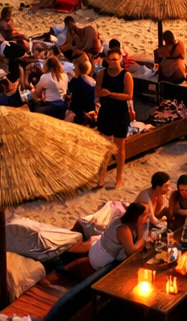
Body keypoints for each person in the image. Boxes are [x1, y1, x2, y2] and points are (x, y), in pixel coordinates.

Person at [95, 48, 133, 189]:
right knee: (105, 147)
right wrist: (102, 93)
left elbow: (128, 95)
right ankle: (101, 178)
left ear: (121, 59)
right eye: (110, 59)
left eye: (115, 59)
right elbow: (97, 91)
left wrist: (111, 94)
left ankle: (119, 177)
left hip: (120, 112)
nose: (112, 62)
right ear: (106, 60)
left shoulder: (126, 75)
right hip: (106, 111)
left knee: (120, 148)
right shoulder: (101, 74)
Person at [88, 202, 149, 270]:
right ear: (139, 217)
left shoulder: (129, 220)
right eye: (146, 215)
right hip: (100, 257)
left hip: (108, 248)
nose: (148, 217)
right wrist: (141, 238)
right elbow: (131, 253)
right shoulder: (123, 229)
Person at [67, 59, 97, 125]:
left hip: (79, 108)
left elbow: (69, 88)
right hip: (90, 107)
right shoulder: (92, 80)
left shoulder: (77, 79)